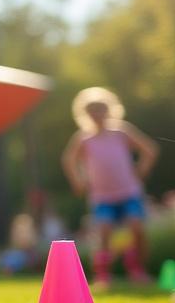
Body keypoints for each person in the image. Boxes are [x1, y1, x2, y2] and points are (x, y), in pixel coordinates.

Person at [62, 86, 158, 286]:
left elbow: (149, 150)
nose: (97, 114)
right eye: (92, 110)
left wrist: (141, 171)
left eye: (101, 108)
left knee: (137, 228)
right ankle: (103, 274)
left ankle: (137, 270)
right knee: (104, 232)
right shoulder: (84, 138)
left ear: (110, 109)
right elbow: (68, 160)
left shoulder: (121, 132)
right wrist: (78, 181)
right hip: (102, 196)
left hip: (129, 191)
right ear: (85, 114)